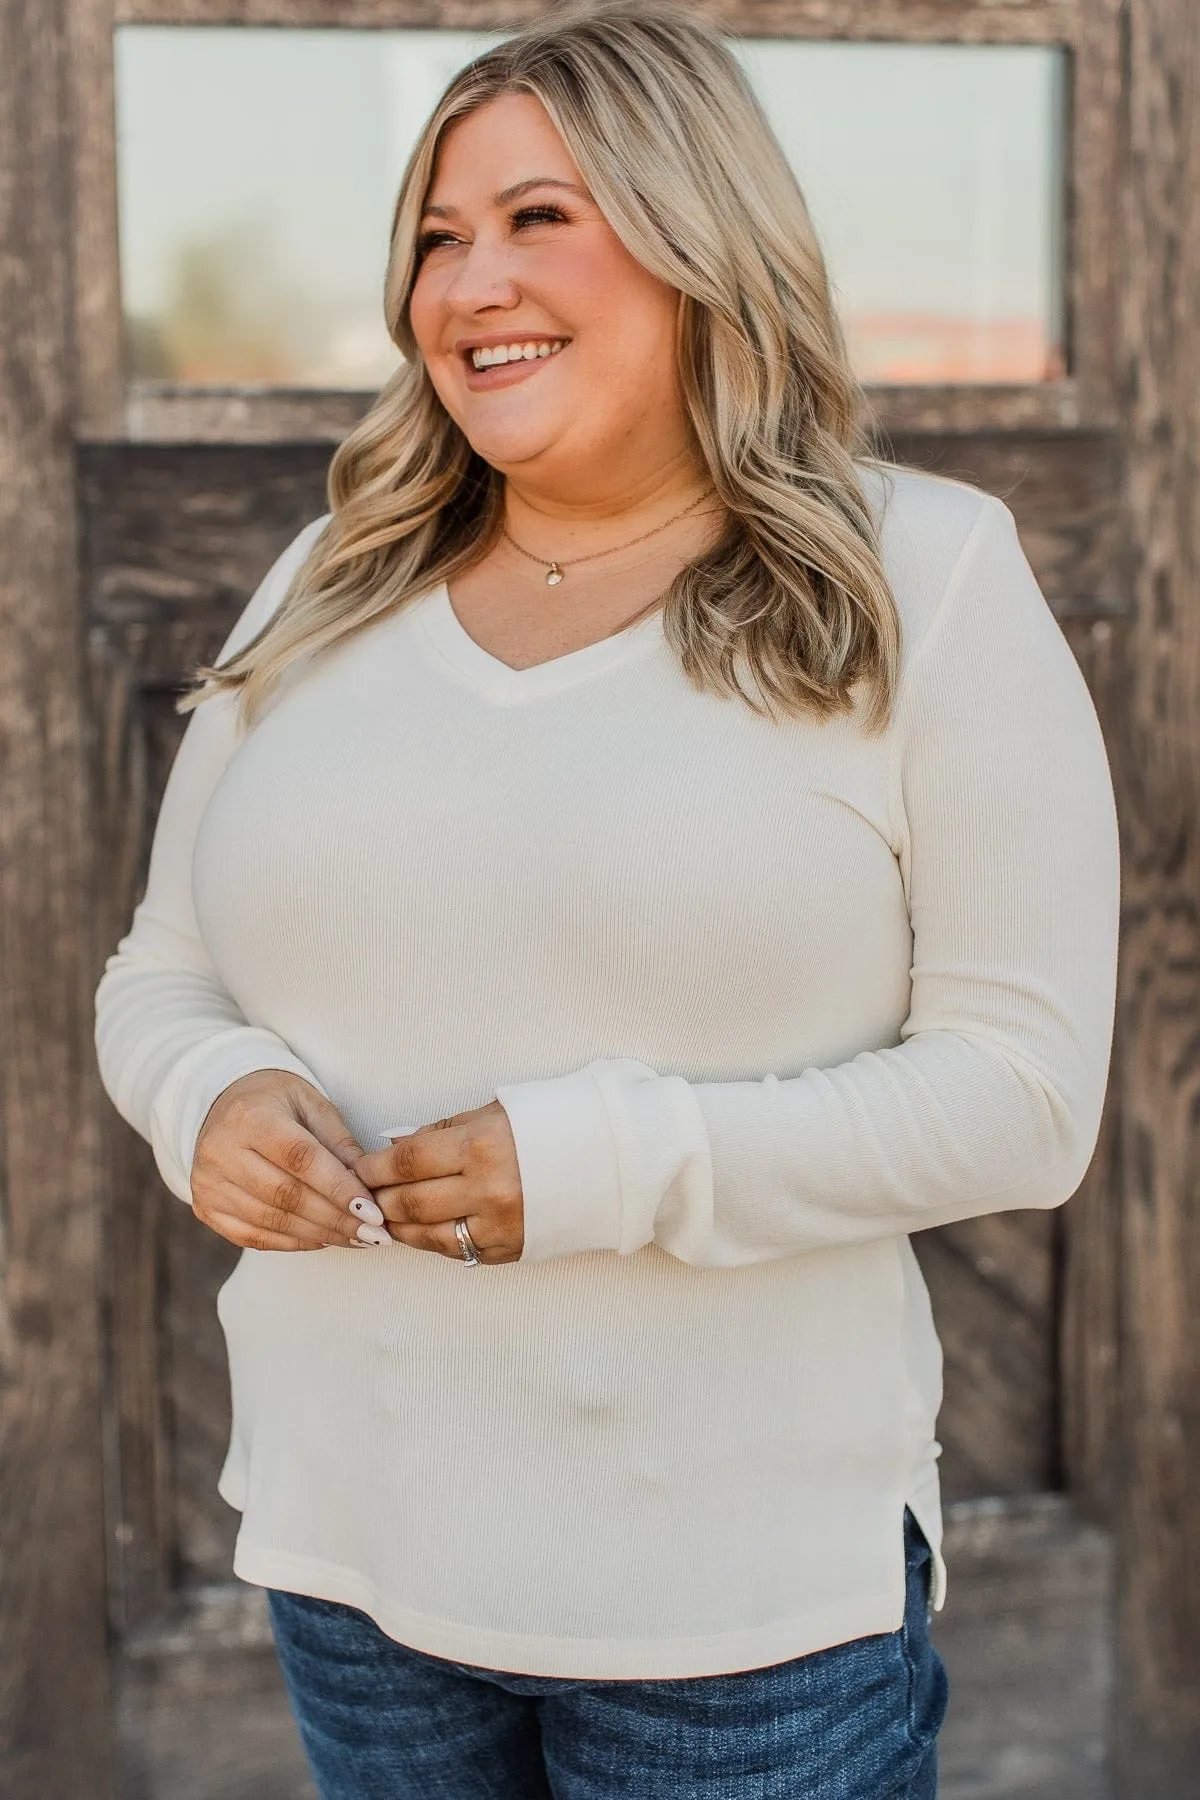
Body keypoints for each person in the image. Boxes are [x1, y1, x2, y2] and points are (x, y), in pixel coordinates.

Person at [93, 4, 1121, 1796]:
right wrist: (205, 1100)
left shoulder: (921, 577)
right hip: (351, 1558)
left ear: (698, 234)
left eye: (536, 217)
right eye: (434, 233)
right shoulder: (330, 579)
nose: (465, 280)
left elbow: (1024, 1102)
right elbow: (160, 971)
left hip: (737, 1618)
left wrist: (598, 1165)